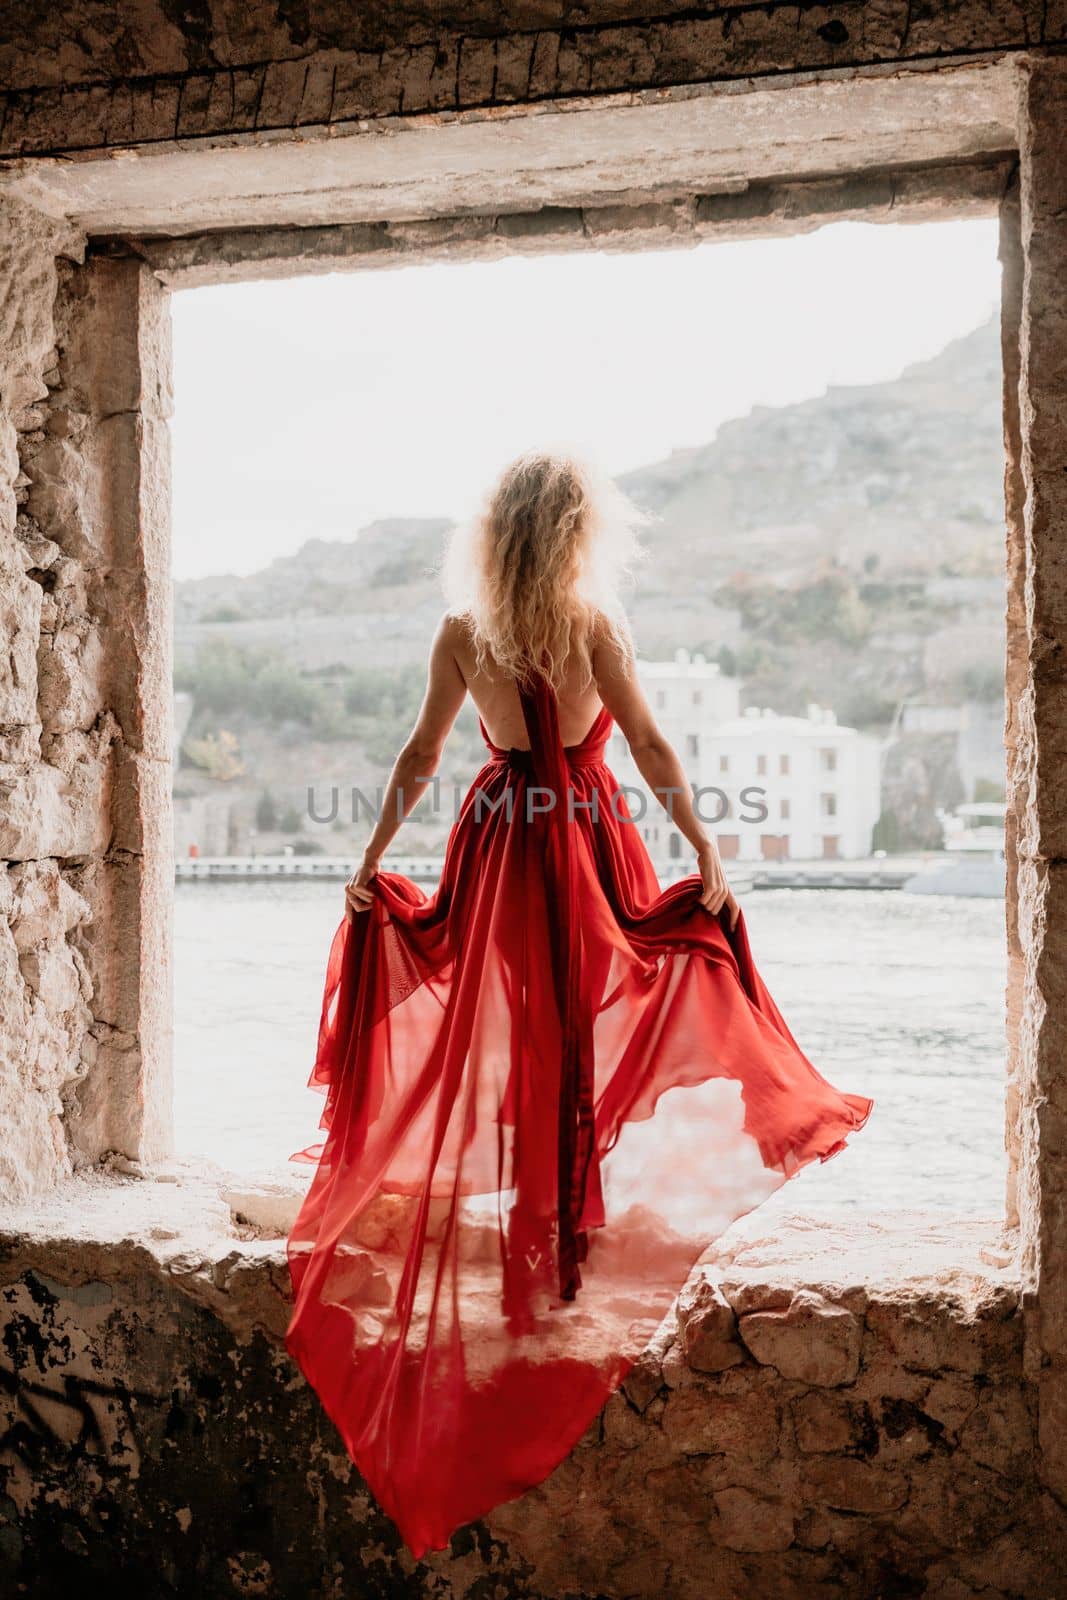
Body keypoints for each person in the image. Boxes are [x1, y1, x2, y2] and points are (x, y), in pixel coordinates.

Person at [285, 451, 873, 1559]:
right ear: (574, 532)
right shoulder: (593, 622)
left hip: (502, 838)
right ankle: (572, 1221)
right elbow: (646, 745)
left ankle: (537, 1228)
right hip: (584, 832)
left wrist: (369, 858)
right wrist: (704, 850)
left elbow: (418, 755)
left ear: (492, 532)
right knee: (602, 1001)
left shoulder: (464, 633)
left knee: (516, 1019)